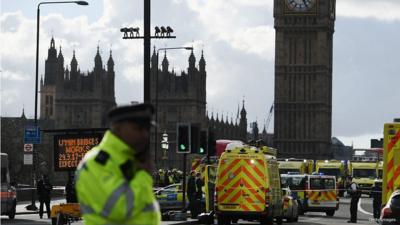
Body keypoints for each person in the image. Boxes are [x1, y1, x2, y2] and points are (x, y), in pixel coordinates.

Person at [75, 104, 161, 225]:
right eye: (138, 128)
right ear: (118, 128)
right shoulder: (96, 162)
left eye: (147, 129)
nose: (145, 134)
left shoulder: (131, 159)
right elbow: (119, 208)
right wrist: (144, 175)